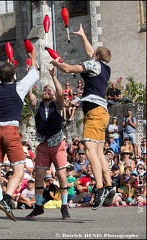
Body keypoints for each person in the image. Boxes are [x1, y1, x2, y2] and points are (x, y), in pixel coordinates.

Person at [51, 23, 115, 210]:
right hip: (102, 112)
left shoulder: (93, 64)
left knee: (89, 152)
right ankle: (110, 186)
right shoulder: (104, 67)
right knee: (99, 153)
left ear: (96, 56)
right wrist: (83, 36)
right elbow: (92, 53)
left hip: (94, 112)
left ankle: (100, 188)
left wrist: (56, 62)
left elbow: (69, 69)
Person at [0, 47, 39, 226]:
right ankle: (6, 200)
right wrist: (32, 55)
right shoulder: (19, 87)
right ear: (13, 76)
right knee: (19, 170)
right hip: (10, 129)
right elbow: (35, 72)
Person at [25, 66, 70, 220]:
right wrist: (30, 78)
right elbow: (30, 95)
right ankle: (38, 206)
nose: (47, 92)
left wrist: (54, 77)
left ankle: (64, 206)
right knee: (38, 175)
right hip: (43, 144)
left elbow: (60, 93)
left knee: (62, 175)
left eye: (49, 91)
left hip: (57, 143)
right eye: (45, 91)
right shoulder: (37, 105)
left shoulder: (57, 105)